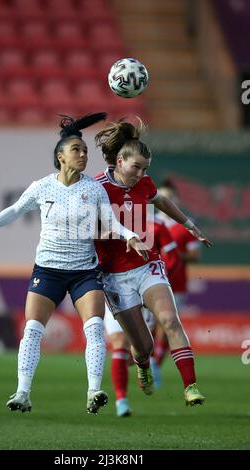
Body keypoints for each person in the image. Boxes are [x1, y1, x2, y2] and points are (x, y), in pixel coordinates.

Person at [0, 113, 149, 416]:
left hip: (84, 272)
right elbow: (13, 211)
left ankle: (94, 391)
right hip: (47, 270)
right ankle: (22, 393)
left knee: (94, 328)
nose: (83, 155)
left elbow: (111, 222)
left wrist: (129, 235)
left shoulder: (94, 189)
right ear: (60, 156)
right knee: (33, 330)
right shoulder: (42, 187)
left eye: (85, 151)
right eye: (77, 150)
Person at [94, 118, 212, 408]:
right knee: (143, 347)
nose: (141, 174)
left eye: (145, 169)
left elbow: (160, 201)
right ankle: (144, 364)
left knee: (170, 320)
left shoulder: (144, 183)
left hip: (147, 264)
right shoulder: (96, 187)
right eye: (136, 167)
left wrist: (188, 224)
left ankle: (191, 387)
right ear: (120, 161)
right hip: (114, 275)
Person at [104, 215, 181, 417]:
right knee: (119, 343)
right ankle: (121, 400)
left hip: (144, 287)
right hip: (115, 287)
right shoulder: (104, 220)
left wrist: (158, 283)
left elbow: (173, 258)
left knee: (140, 348)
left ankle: (145, 365)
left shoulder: (155, 224)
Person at [151, 178, 201, 386]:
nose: (166, 200)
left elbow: (194, 256)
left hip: (175, 284)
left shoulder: (184, 225)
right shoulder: (149, 222)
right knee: (149, 326)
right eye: (163, 196)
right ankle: (146, 363)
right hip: (149, 282)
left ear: (176, 200)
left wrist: (172, 253)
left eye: (170, 197)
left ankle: (155, 365)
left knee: (166, 324)